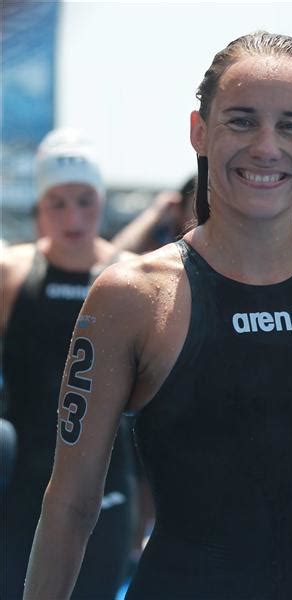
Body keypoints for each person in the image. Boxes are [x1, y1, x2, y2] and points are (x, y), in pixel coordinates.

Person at [23, 33, 292, 600]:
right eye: (241, 121)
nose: (266, 146)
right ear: (199, 131)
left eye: (291, 125)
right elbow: (70, 503)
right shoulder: (130, 297)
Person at [0, 128, 137, 600]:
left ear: (101, 199)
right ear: (40, 206)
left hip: (109, 486)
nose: (73, 216)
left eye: (84, 199)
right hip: (23, 486)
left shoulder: (136, 278)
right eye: (57, 202)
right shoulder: (12, 274)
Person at [110, 175, 196, 254]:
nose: (207, 217)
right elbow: (114, 257)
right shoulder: (161, 238)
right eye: (199, 208)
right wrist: (155, 211)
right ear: (179, 209)